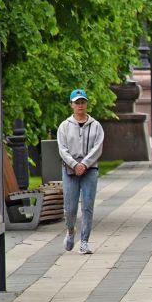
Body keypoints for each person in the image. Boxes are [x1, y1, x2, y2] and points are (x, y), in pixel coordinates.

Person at [58, 89, 104, 255]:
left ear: (86, 104)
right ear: (71, 105)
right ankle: (70, 231)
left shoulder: (96, 126)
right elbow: (62, 149)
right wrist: (73, 164)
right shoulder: (64, 126)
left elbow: (97, 148)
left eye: (82, 102)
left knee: (87, 205)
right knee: (70, 208)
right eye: (77, 102)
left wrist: (84, 164)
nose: (80, 105)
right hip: (70, 170)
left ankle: (84, 241)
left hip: (90, 169)